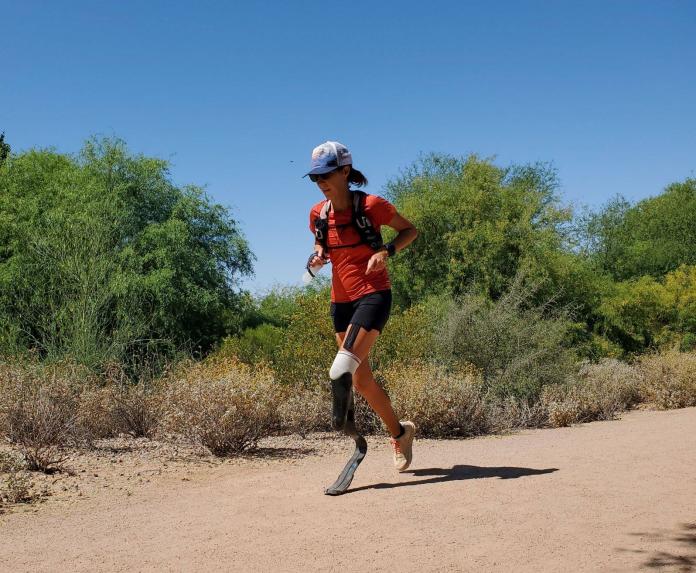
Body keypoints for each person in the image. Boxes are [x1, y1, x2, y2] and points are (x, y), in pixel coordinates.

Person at [305, 141, 418, 471]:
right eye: (315, 178)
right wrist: (318, 255)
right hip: (340, 303)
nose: (321, 182)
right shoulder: (318, 214)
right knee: (360, 380)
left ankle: (349, 433)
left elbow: (410, 230)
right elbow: (320, 242)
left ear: (344, 171)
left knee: (341, 370)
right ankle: (400, 433)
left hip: (373, 295)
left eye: (326, 174)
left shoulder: (372, 205)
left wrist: (386, 251)